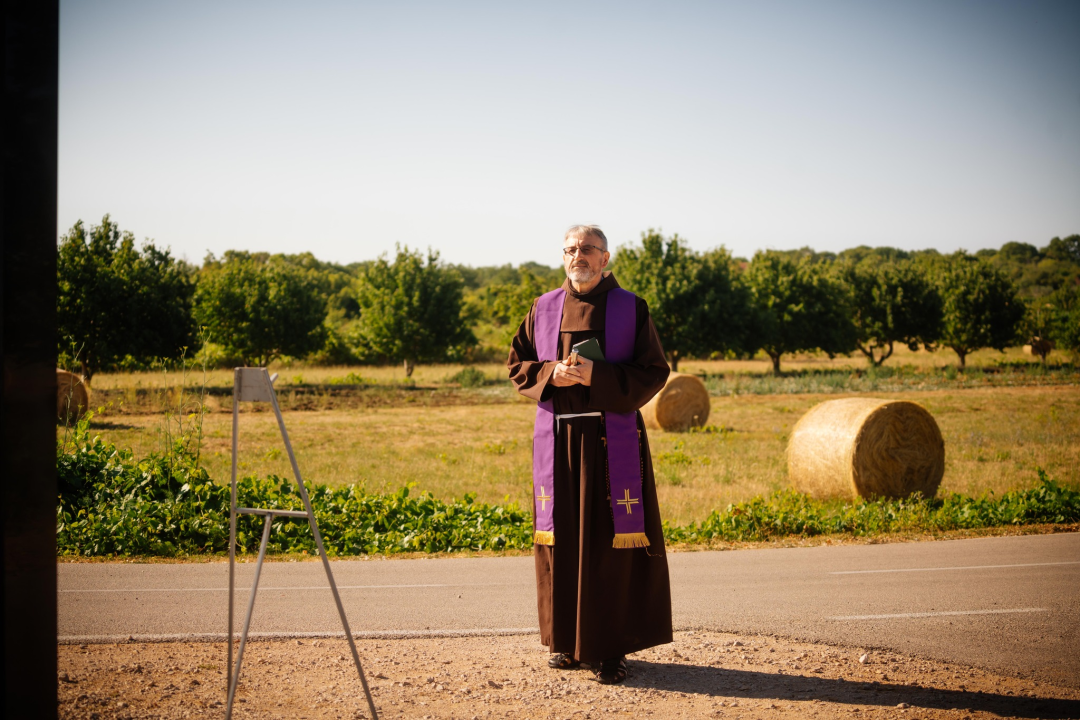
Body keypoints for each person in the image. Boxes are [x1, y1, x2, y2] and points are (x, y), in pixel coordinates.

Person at [506, 224, 673, 684]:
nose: (578, 255)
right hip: (558, 442)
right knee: (563, 543)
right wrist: (550, 374)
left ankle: (610, 649)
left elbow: (654, 371)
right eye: (571, 249)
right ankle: (567, 642)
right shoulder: (542, 307)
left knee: (607, 548)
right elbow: (516, 365)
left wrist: (595, 378)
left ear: (605, 259)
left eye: (588, 249)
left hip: (609, 442)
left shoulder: (630, 308)